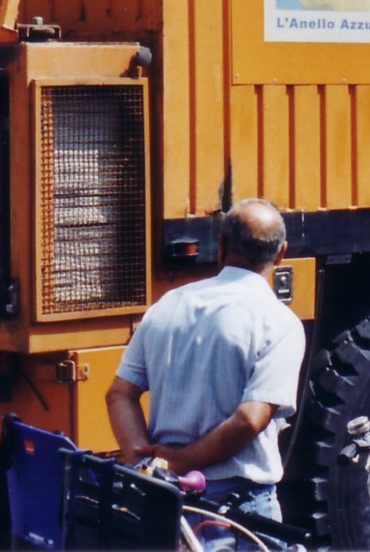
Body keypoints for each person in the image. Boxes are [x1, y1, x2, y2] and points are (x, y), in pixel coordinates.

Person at [106, 198, 306, 549]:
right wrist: (181, 461)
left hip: (167, 503)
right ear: (281, 254)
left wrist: (146, 463)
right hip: (240, 512)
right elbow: (249, 419)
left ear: (222, 246)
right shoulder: (280, 323)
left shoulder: (168, 304)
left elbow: (119, 394)